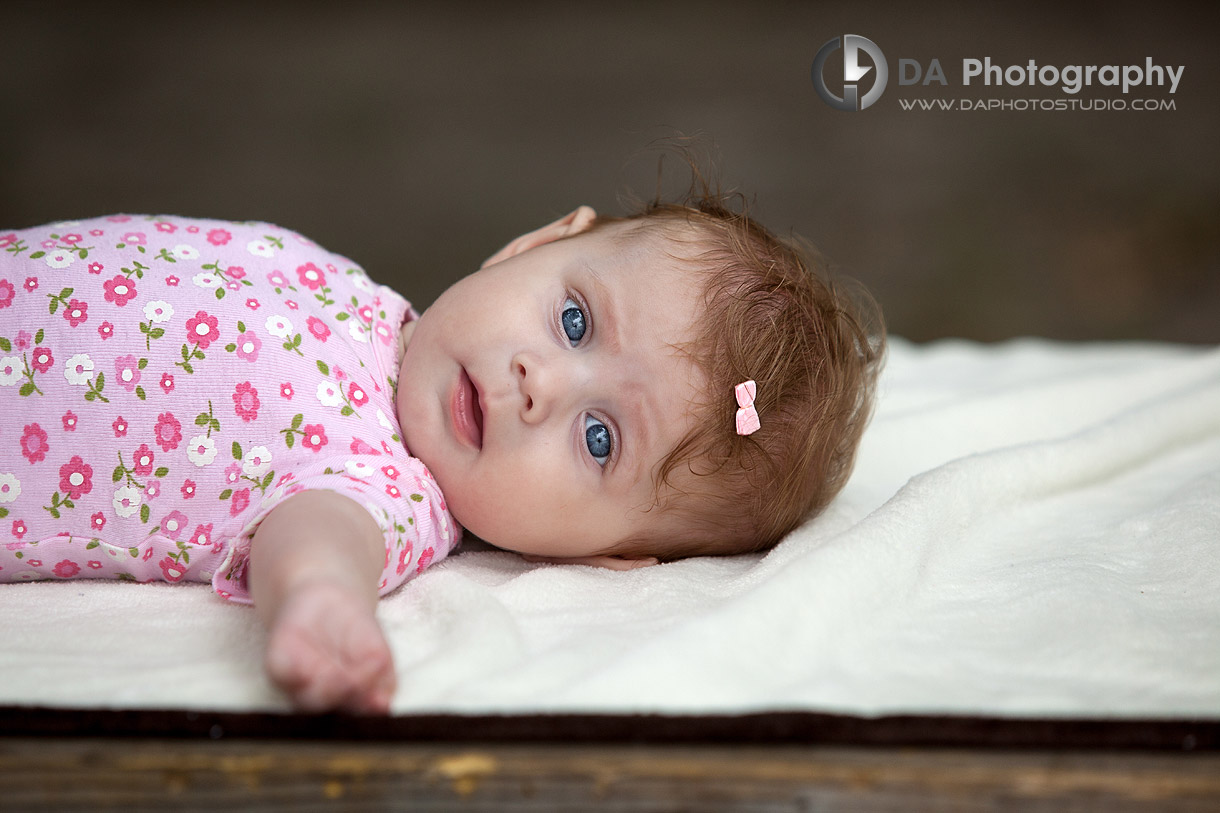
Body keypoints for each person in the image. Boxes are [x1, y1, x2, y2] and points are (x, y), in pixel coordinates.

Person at [0, 182, 883, 714]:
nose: (542, 382)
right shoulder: (345, 285)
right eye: (574, 320)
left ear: (612, 553)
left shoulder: (394, 492)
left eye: (599, 436)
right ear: (535, 245)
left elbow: (314, 537)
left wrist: (317, 601)